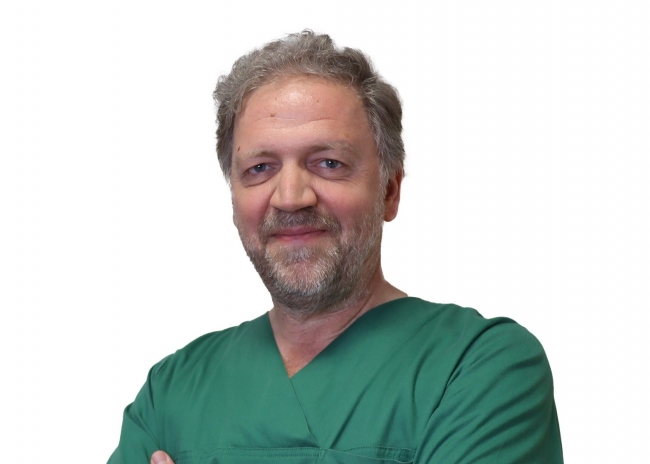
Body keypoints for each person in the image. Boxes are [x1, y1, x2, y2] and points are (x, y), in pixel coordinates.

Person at [108, 30, 563, 464]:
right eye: (260, 168)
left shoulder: (478, 367)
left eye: (328, 163)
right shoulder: (171, 392)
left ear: (389, 191)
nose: (290, 197)